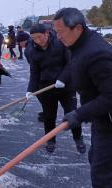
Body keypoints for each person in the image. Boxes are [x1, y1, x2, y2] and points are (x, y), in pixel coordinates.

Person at [53, 8, 112, 188]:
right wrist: (62, 79)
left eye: (60, 32)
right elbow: (76, 66)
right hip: (103, 118)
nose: (58, 37)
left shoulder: (96, 54)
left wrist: (78, 115)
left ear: (77, 28)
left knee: (103, 176)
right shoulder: (79, 45)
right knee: (95, 159)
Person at [25, 24, 85, 153]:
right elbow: (34, 72)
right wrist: (30, 89)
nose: (37, 41)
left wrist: (62, 79)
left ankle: (78, 138)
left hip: (66, 87)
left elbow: (70, 63)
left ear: (46, 33)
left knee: (72, 113)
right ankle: (50, 140)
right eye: (34, 38)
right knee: (49, 116)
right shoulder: (33, 51)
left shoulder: (60, 43)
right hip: (46, 88)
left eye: (39, 37)